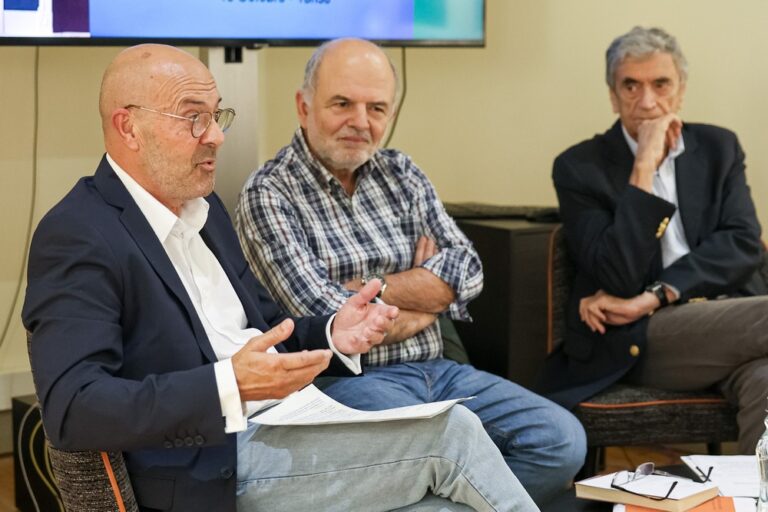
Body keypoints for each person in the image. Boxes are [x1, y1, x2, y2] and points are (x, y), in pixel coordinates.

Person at [21, 44, 541, 512]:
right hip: (210, 461)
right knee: (452, 434)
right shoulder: (78, 233)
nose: (218, 136)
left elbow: (271, 325)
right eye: (193, 119)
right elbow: (73, 408)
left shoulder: (206, 212)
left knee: (446, 506)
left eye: (217, 115)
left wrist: (335, 332)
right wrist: (229, 385)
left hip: (292, 417)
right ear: (128, 127)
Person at [235, 38, 586, 505]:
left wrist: (367, 293)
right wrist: (429, 295)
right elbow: (333, 322)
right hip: (348, 383)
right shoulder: (268, 194)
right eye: (342, 103)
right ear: (303, 106)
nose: (361, 122)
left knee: (561, 442)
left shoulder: (401, 172)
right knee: (434, 453)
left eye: (376, 108)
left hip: (440, 370)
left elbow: (468, 268)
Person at [539, 26, 768, 453]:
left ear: (680, 90)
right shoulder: (578, 167)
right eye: (631, 85)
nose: (647, 102)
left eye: (660, 84)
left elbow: (743, 245)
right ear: (612, 95)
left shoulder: (719, 147)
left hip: (727, 322)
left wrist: (657, 294)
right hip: (643, 339)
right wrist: (643, 166)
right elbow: (619, 275)